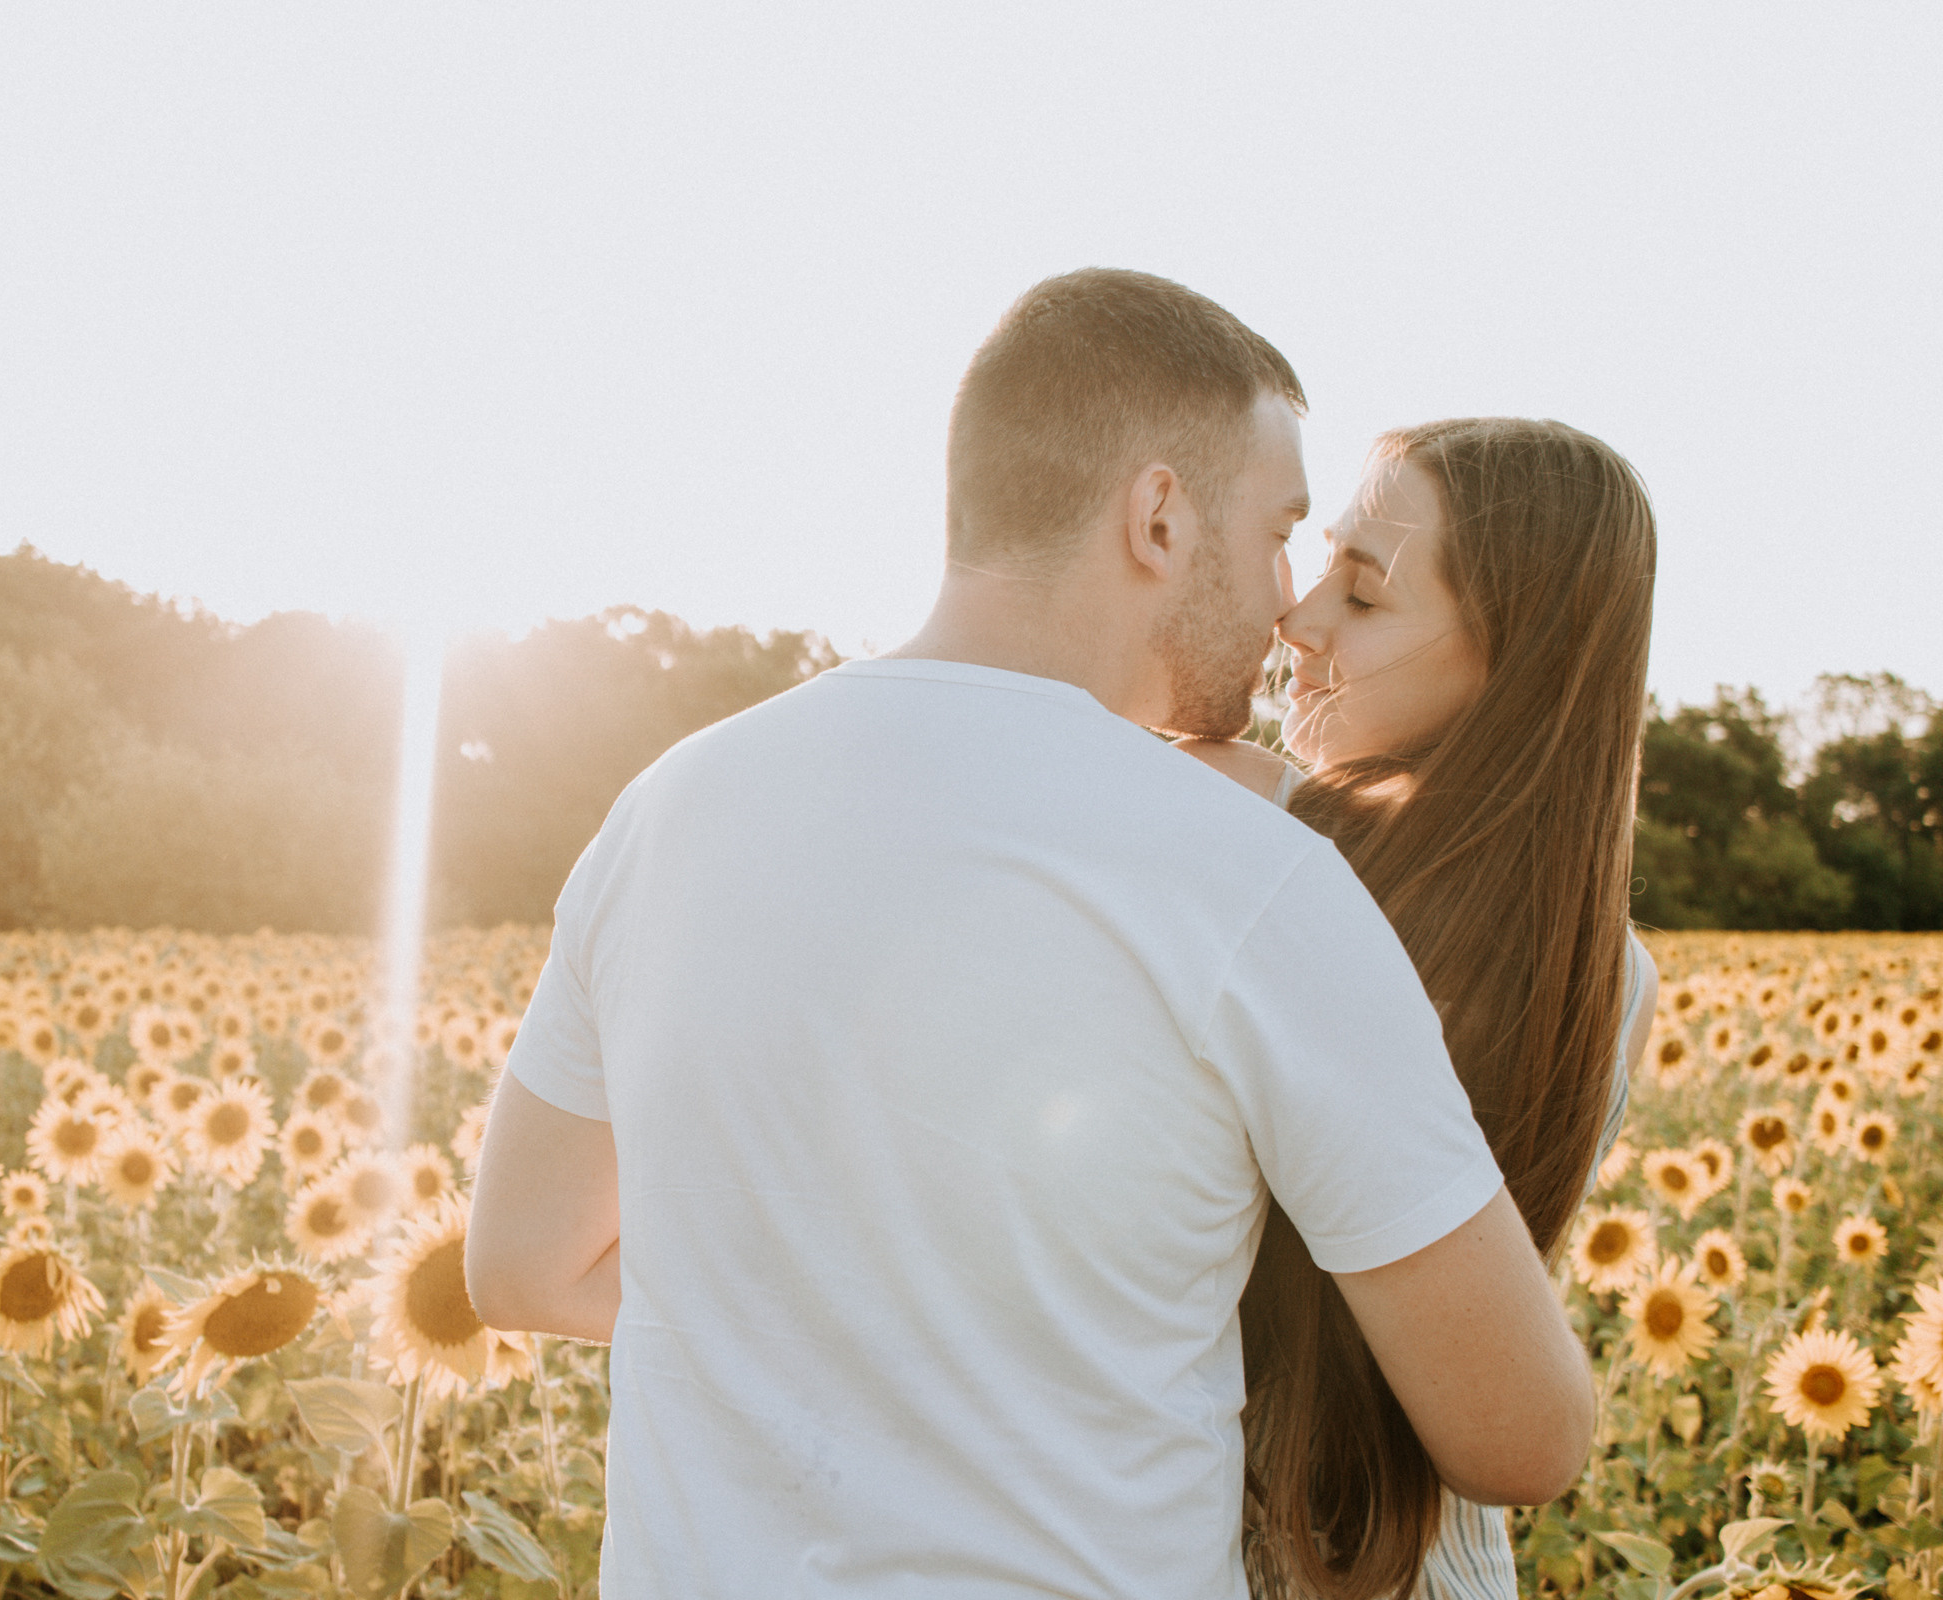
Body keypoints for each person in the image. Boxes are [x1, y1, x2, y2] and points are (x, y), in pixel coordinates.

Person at [464, 268, 1597, 1599]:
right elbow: (1522, 1438)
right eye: (1281, 528)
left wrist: (806, 1332)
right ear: (1160, 517)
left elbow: (519, 1262)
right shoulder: (1251, 882)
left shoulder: (670, 807)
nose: (1288, 598)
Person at [1178, 418, 1658, 1599]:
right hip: (1420, 1558)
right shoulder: (1609, 971)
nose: (1299, 623)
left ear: (1514, 659)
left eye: (1366, 592)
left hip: (1209, 1541)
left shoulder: (1260, 844)